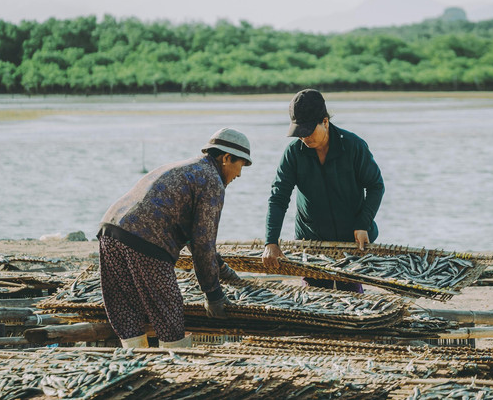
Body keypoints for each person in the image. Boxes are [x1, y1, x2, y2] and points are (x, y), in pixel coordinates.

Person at [97, 128, 250, 349]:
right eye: (240, 166)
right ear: (226, 158)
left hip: (110, 231)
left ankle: (135, 367)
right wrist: (213, 294)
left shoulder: (187, 168)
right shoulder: (212, 180)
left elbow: (194, 238)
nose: (239, 175)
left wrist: (223, 270)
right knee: (169, 315)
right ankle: (174, 369)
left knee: (127, 311)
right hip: (147, 241)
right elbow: (202, 244)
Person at [262, 89, 384, 292]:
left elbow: (375, 186)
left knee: (352, 296)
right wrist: (271, 242)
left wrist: (363, 224)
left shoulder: (354, 146)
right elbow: (278, 198)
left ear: (325, 122)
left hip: (351, 238)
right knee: (314, 296)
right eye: (299, 133)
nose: (304, 138)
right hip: (311, 240)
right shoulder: (293, 153)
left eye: (308, 131)